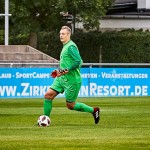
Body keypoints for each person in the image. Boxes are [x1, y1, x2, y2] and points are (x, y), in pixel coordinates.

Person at [43, 26, 100, 124]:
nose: (61, 35)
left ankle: (94, 110)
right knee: (48, 95)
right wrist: (59, 71)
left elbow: (78, 61)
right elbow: (72, 62)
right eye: (60, 34)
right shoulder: (65, 46)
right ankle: (45, 120)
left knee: (70, 105)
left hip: (72, 80)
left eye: (63, 34)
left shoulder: (71, 46)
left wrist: (67, 70)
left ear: (68, 35)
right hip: (62, 78)